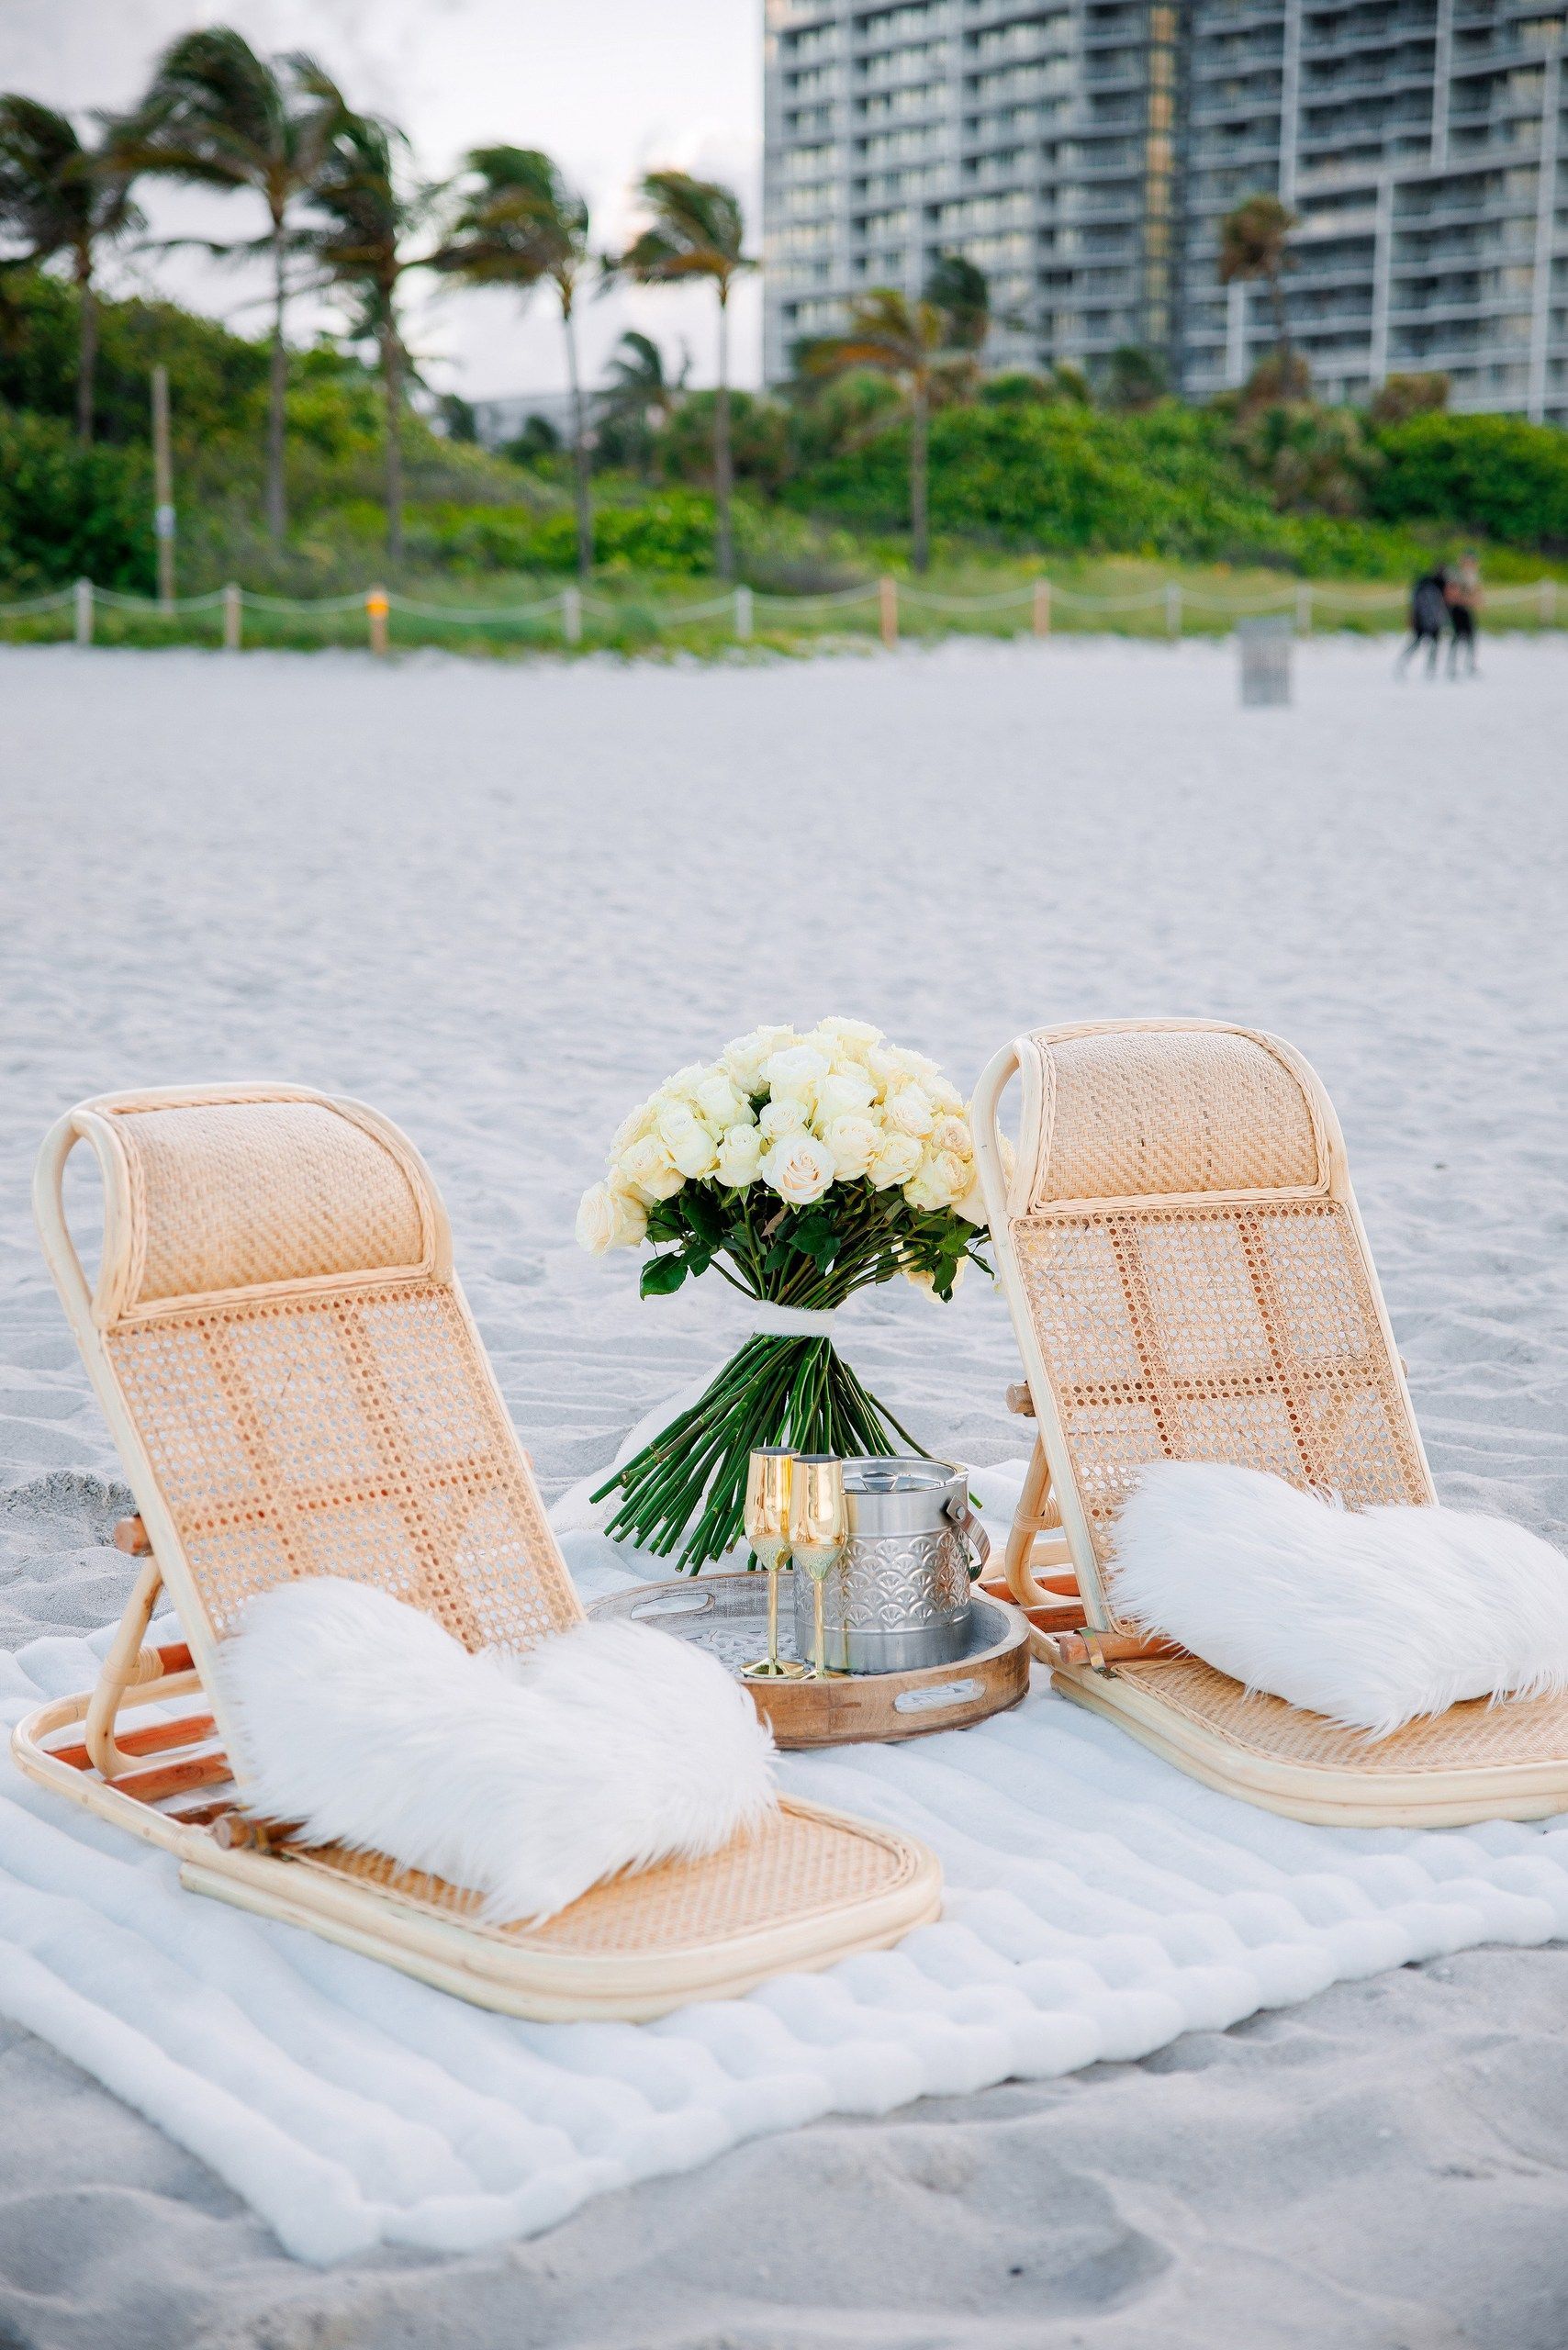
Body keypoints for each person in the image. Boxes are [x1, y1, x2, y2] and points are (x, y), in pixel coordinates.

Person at [1396, 565, 1449, 677]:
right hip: (1427, 620)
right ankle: (1429, 669)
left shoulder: (1425, 585)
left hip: (1426, 619)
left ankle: (1426, 668)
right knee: (1428, 645)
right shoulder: (1432, 586)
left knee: (1420, 644)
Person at [1446, 550, 1481, 677]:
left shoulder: (1472, 576)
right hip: (1457, 610)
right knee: (1457, 638)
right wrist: (1467, 600)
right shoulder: (1457, 575)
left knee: (1470, 638)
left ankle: (1470, 665)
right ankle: (1452, 667)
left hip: (1466, 610)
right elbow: (1452, 595)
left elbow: (1477, 595)